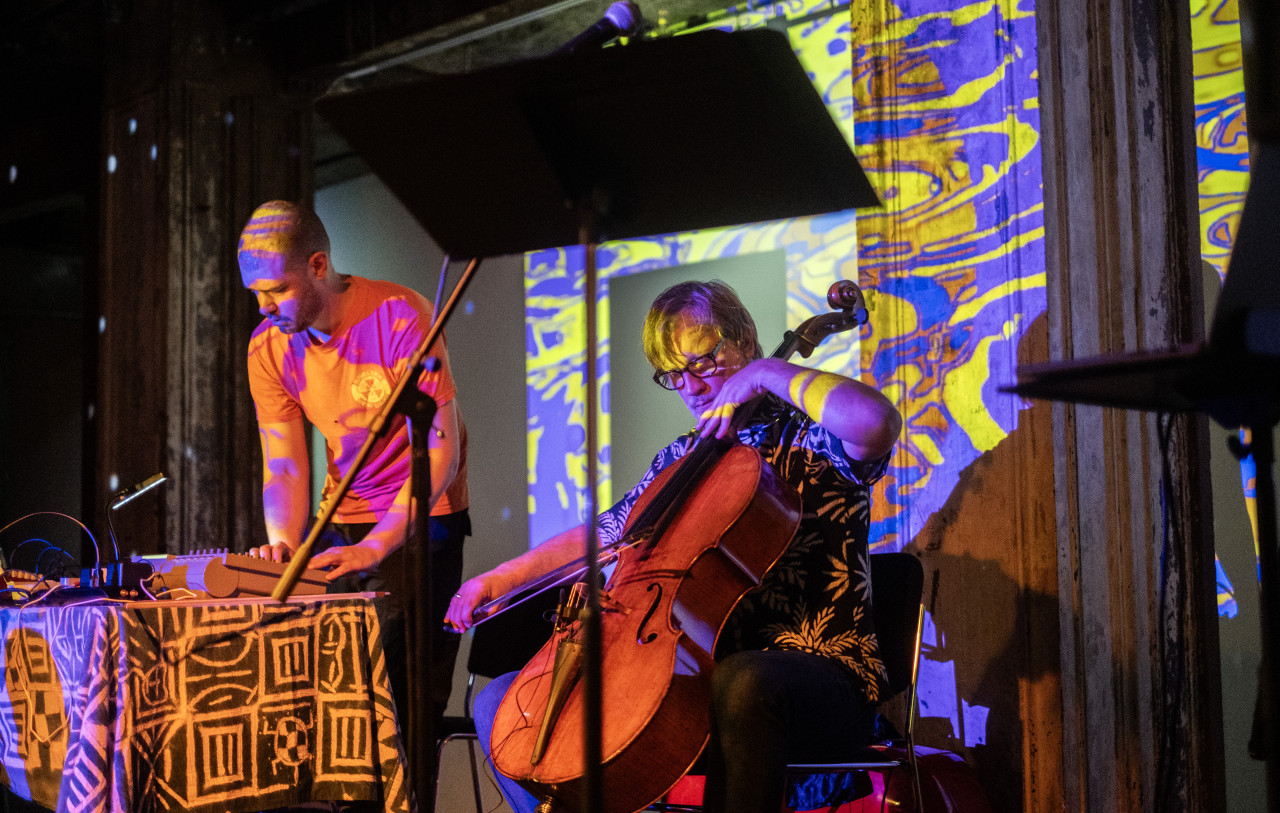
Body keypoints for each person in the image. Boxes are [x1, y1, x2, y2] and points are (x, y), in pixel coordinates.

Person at [446, 279, 901, 813]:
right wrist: (498, 579)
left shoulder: (812, 437)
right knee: (501, 703)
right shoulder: (682, 459)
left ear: (744, 340)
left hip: (817, 676)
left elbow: (877, 422)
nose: (691, 386)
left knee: (744, 680)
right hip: (698, 679)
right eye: (673, 374)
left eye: (703, 363)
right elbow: (608, 532)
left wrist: (767, 374)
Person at [237, 199, 470, 731]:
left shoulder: (401, 314)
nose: (264, 307)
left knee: (403, 700)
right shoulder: (267, 348)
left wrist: (377, 545)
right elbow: (284, 466)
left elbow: (443, 451)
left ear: (318, 265)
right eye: (255, 294)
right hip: (344, 512)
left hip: (424, 512)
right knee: (332, 692)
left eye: (276, 290)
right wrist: (283, 544)